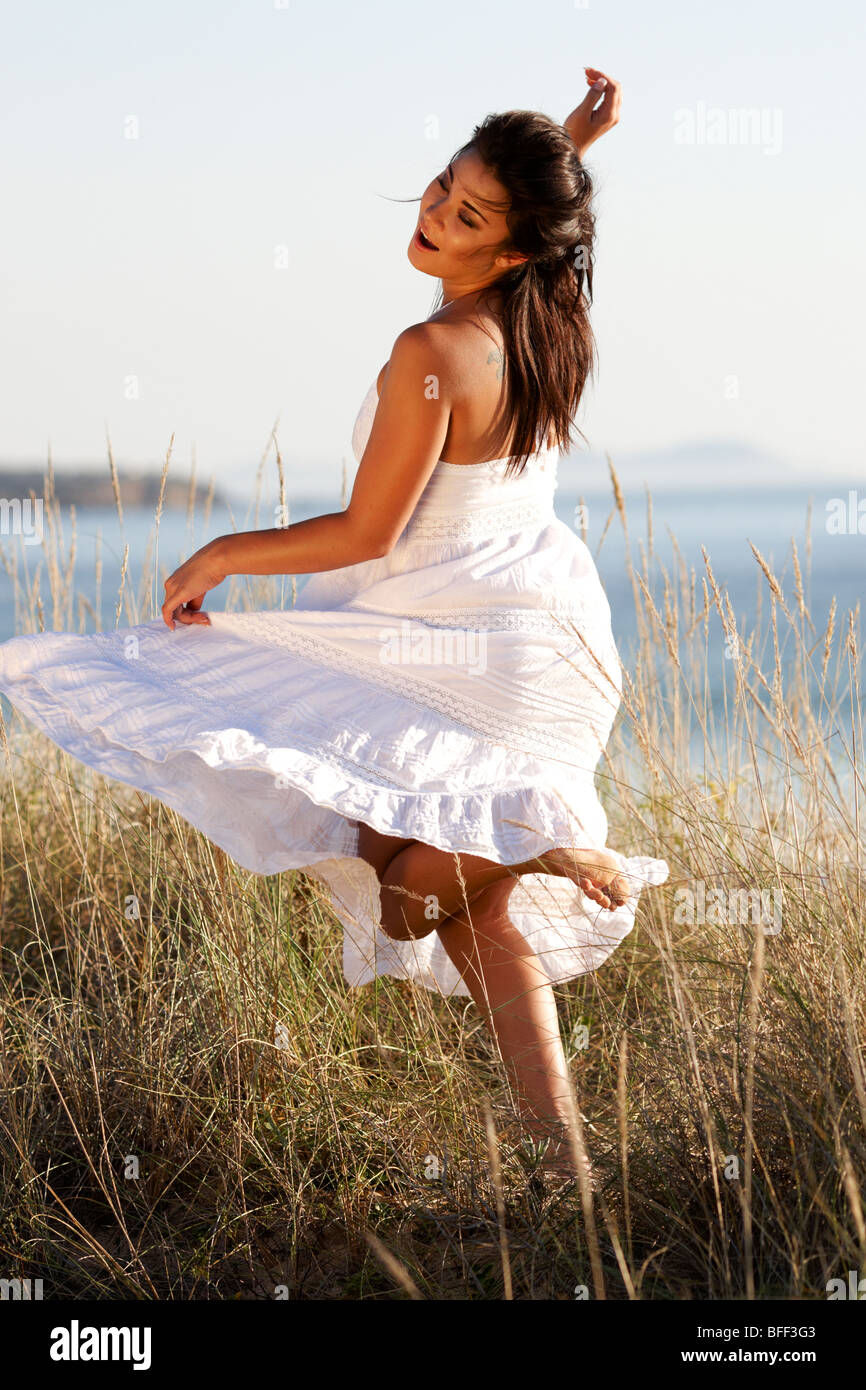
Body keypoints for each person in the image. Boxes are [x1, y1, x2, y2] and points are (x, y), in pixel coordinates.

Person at [0, 68, 668, 1182]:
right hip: (544, 634)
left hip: (450, 646)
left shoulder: (433, 350)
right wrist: (574, 140)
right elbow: (542, 227)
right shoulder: (552, 324)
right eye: (440, 186)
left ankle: (534, 834)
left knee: (399, 892)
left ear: (507, 251)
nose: (432, 215)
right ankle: (567, 1168)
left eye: (465, 215)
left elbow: (367, 529)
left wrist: (224, 552)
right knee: (462, 906)